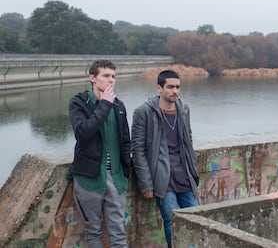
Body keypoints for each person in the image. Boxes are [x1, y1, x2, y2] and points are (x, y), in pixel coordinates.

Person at [131, 70, 199, 248]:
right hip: (162, 178)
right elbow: (137, 150)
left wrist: (193, 171)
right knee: (171, 221)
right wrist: (146, 183)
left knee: (197, 218)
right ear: (159, 88)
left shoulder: (183, 108)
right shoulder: (144, 112)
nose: (175, 91)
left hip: (184, 175)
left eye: (177, 87)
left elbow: (188, 140)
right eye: (170, 87)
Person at [68, 60, 131, 248]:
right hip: (89, 179)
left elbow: (126, 142)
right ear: (92, 78)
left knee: (119, 233)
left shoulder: (119, 106)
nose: (111, 80)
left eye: (113, 76)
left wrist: (125, 174)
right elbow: (83, 134)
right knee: (93, 232)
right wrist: (104, 104)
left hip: (116, 178)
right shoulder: (79, 102)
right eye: (106, 76)